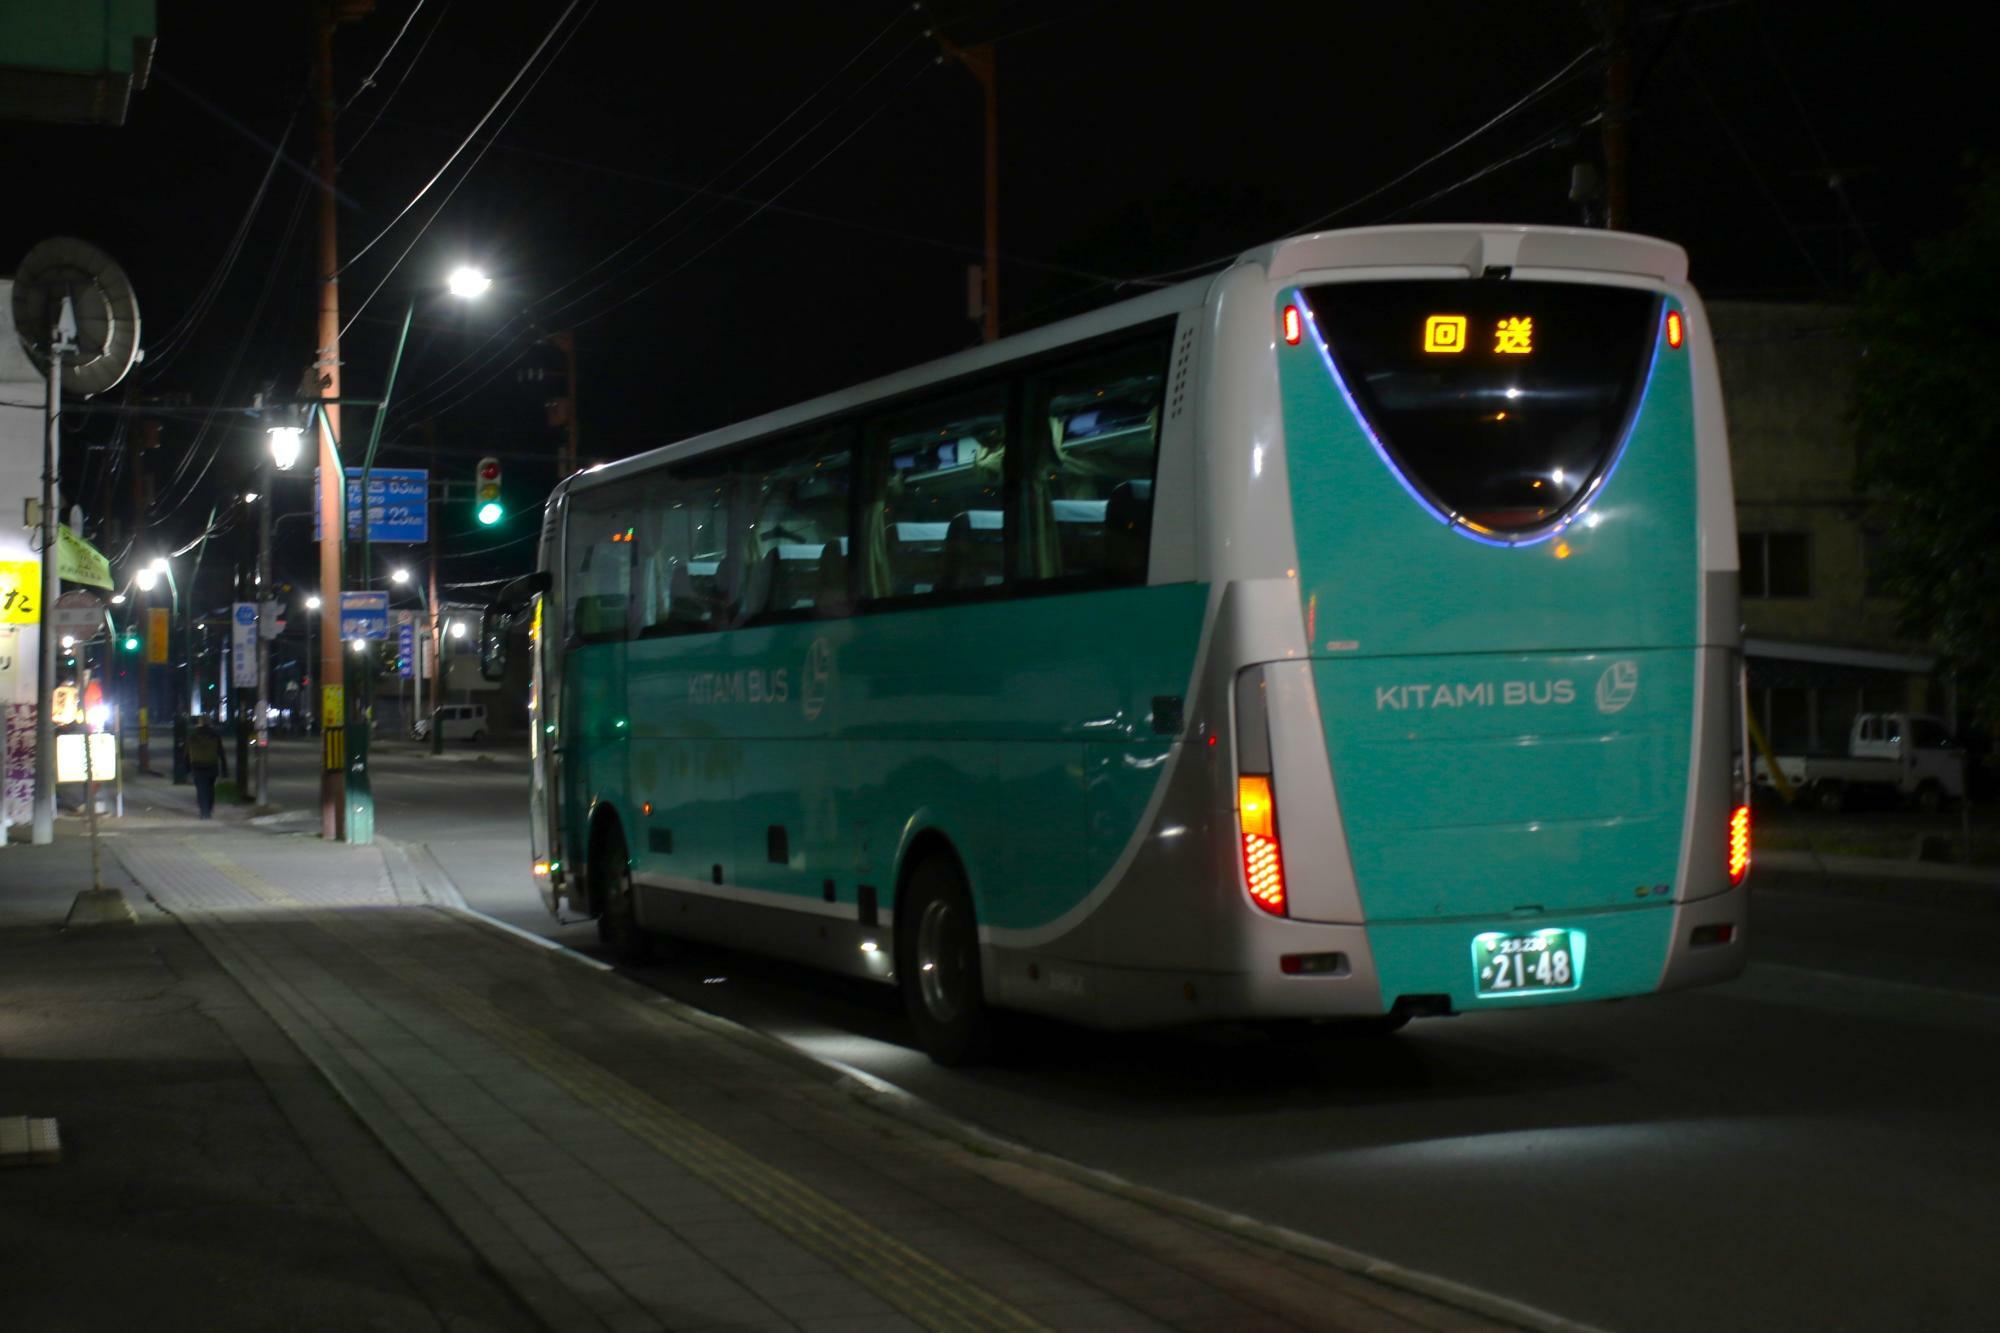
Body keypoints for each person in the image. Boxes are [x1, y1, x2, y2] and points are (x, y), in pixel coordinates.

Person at [185, 716, 227, 819]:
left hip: (197, 765)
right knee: (210, 788)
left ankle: (203, 812)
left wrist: (187, 768)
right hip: (211, 765)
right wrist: (224, 768)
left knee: (201, 789)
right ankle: (209, 808)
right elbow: (220, 752)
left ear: (199, 723)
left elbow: (187, 753)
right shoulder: (215, 735)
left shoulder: (193, 735)